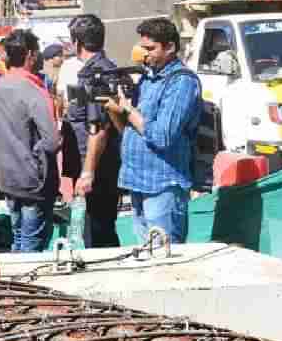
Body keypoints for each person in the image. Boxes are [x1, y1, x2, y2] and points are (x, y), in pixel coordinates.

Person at [107, 17, 202, 245]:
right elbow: (132, 131)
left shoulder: (181, 82)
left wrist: (128, 110)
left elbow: (162, 136)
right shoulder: (149, 80)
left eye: (151, 49)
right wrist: (115, 111)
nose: (145, 54)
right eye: (143, 48)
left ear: (170, 47)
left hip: (163, 184)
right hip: (138, 181)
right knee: (147, 255)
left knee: (164, 257)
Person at [0, 29, 60, 252]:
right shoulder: (33, 90)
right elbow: (52, 140)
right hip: (32, 180)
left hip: (8, 177)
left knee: (18, 238)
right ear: (30, 55)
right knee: (32, 243)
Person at [66, 15, 124, 248]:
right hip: (104, 164)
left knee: (98, 232)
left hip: (98, 168)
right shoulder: (106, 69)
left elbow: (98, 128)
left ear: (76, 43)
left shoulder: (95, 75)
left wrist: (87, 173)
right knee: (101, 227)